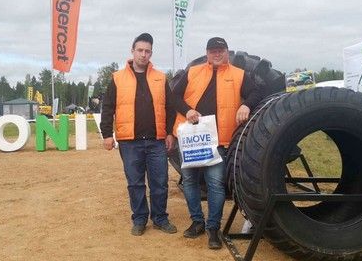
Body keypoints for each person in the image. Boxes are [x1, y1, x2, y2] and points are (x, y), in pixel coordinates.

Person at [172, 37, 262, 249]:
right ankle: (197, 222)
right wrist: (187, 111)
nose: (217, 54)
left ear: (227, 52)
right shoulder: (193, 72)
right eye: (213, 51)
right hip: (192, 140)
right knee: (190, 182)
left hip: (219, 140)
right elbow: (173, 96)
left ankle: (213, 228)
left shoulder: (238, 74)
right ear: (207, 52)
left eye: (220, 50)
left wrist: (246, 105)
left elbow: (258, 91)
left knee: (215, 185)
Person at [100, 33, 177, 236]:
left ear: (151, 53)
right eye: (140, 50)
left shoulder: (161, 77)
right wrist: (107, 134)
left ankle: (160, 218)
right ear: (132, 51)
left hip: (156, 141)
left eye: (147, 51)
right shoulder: (117, 78)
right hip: (129, 142)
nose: (144, 54)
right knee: (135, 183)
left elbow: (170, 108)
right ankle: (140, 218)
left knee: (159, 182)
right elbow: (107, 107)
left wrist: (170, 133)